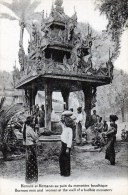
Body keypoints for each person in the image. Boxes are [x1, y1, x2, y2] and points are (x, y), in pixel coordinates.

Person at [23, 116, 39, 183]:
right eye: (33, 121)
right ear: (30, 122)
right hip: (31, 147)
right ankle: (32, 178)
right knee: (32, 162)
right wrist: (37, 131)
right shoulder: (30, 129)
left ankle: (29, 178)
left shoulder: (25, 128)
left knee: (29, 162)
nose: (34, 122)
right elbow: (35, 138)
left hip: (28, 147)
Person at [59, 111, 74, 177]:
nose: (64, 123)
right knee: (61, 158)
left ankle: (67, 173)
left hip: (66, 145)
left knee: (66, 159)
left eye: (65, 121)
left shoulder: (69, 129)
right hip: (63, 144)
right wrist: (63, 117)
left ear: (67, 122)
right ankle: (62, 172)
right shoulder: (65, 128)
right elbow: (60, 122)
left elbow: (70, 140)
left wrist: (68, 148)